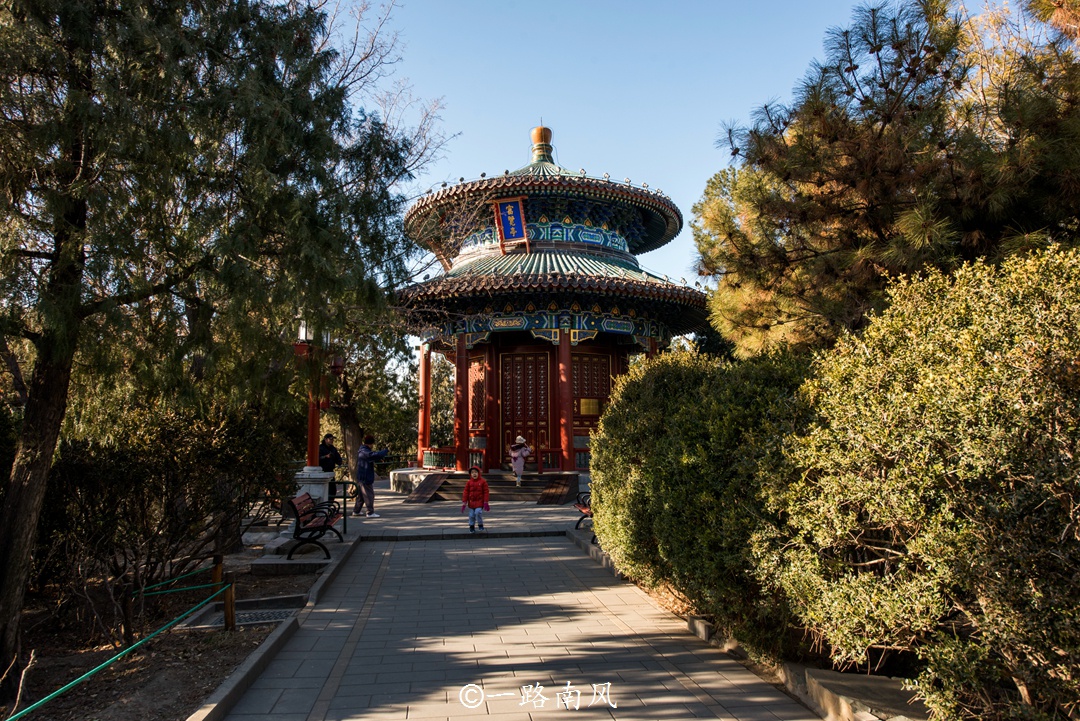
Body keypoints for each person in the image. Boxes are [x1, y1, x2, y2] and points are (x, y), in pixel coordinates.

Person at [354, 434, 389, 518]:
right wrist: (385, 451)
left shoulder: (362, 450)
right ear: (370, 443)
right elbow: (375, 455)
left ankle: (356, 511)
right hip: (365, 476)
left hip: (361, 476)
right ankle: (370, 512)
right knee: (369, 495)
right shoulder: (365, 452)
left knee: (361, 496)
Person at [460, 466, 490, 533]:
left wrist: (485, 502)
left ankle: (480, 524)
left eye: (476, 472)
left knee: (478, 512)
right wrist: (464, 502)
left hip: (479, 501)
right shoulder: (469, 482)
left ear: (479, 473)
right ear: (470, 474)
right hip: (471, 502)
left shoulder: (483, 482)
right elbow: (466, 492)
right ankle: (471, 526)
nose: (474, 474)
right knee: (471, 515)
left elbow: (486, 492)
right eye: (472, 472)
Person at [318, 433, 344, 498]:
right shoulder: (320, 448)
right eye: (330, 439)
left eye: (333, 439)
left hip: (330, 471)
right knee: (324, 491)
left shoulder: (333, 449)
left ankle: (330, 505)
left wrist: (340, 462)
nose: (332, 441)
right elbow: (317, 459)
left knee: (332, 491)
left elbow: (337, 457)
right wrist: (325, 457)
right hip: (322, 472)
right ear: (325, 439)